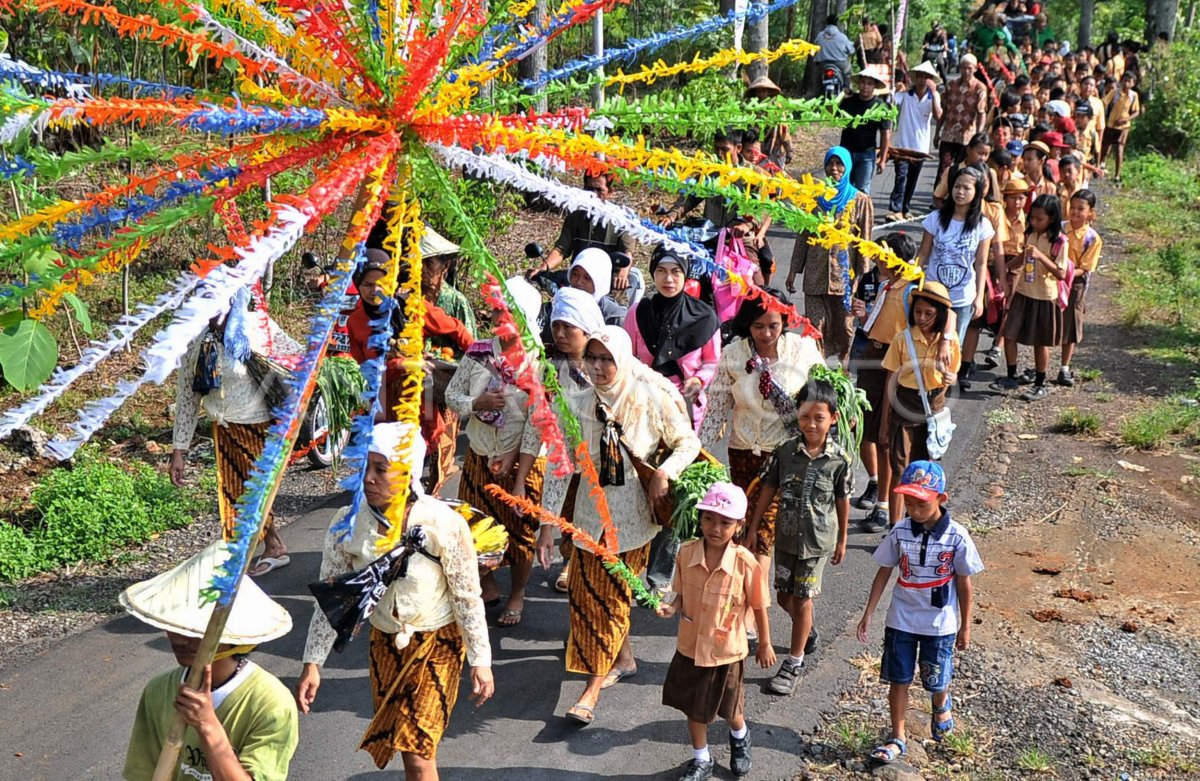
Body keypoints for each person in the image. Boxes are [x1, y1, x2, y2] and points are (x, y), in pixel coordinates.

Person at [297, 422, 494, 779]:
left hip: (438, 645)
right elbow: (334, 600)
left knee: (417, 750)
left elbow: (467, 596)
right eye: (365, 467)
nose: (368, 478)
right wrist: (313, 663)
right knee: (405, 747)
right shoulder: (347, 524)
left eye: (381, 469)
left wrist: (481, 660)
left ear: (409, 473)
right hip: (384, 645)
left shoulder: (442, 524)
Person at [538, 326, 701, 724]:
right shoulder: (575, 403)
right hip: (589, 518)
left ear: (623, 359)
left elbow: (688, 442)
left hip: (632, 519)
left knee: (610, 602)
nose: (598, 366)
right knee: (582, 596)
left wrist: (664, 473)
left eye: (606, 359)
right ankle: (623, 658)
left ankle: (590, 690)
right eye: (592, 358)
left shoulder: (649, 396)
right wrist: (547, 523)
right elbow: (561, 466)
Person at [121, 541, 297, 781]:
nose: (179, 639)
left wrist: (207, 725)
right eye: (174, 626)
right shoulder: (158, 691)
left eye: (195, 630)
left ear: (234, 636)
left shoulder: (271, 703)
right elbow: (140, 773)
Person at [855, 461, 984, 764]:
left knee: (934, 678)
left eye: (921, 503)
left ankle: (940, 703)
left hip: (939, 624)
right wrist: (869, 612)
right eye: (908, 502)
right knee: (898, 678)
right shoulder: (899, 531)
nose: (914, 509)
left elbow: (965, 584)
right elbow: (884, 571)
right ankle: (897, 736)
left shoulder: (957, 536)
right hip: (901, 618)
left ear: (941, 498)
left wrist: (965, 627)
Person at [171, 286, 298, 577]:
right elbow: (187, 396)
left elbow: (297, 357)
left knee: (253, 492)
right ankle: (266, 546)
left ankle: (263, 548)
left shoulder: (255, 327)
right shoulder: (199, 339)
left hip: (258, 426)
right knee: (234, 493)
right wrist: (179, 449)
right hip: (223, 428)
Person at [445, 277, 546, 628]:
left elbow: (537, 423)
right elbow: (451, 397)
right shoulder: (477, 353)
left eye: (509, 314)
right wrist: (477, 403)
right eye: (498, 311)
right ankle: (487, 585)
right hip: (478, 454)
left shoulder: (538, 363)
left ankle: (517, 593)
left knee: (520, 534)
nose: (500, 319)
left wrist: (517, 472)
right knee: (470, 526)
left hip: (519, 461)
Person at [656, 483, 775, 781]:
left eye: (725, 522)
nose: (715, 528)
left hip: (726, 651)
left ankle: (740, 737)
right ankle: (701, 758)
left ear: (739, 526)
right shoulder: (685, 553)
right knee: (694, 708)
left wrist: (765, 643)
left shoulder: (746, 564)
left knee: (730, 709)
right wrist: (671, 608)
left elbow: (759, 607)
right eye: (709, 518)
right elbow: (681, 596)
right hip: (691, 646)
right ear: (700, 518)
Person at [700, 290, 824, 572]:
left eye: (773, 326)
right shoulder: (733, 355)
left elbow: (825, 397)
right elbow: (716, 410)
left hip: (785, 455)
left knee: (764, 530)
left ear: (784, 322)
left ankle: (755, 604)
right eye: (758, 326)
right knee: (741, 526)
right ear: (747, 324)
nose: (766, 334)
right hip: (742, 453)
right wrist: (696, 456)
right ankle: (742, 598)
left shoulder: (802, 350)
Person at [747, 379, 852, 696]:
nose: (811, 424)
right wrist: (753, 527)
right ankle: (806, 630)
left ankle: (793, 661)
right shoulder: (785, 452)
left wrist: (843, 539)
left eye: (819, 417)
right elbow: (769, 489)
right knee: (784, 597)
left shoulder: (839, 460)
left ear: (832, 418)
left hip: (817, 542)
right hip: (786, 538)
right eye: (805, 416)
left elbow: (842, 500)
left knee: (803, 599)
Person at [520, 287, 605, 594]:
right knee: (572, 522)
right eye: (555, 325)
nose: (560, 333)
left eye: (568, 326)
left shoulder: (608, 368)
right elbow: (537, 425)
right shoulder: (550, 371)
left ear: (586, 327)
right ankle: (572, 565)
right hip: (569, 467)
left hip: (606, 470)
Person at [851, 232, 919, 533]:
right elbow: (877, 325)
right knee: (867, 429)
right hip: (873, 358)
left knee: (885, 436)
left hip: (893, 367)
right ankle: (879, 495)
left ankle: (886, 509)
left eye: (883, 254)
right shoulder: (885, 286)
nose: (877, 258)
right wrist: (863, 315)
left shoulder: (910, 291)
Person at [880, 281, 960, 527]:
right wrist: (884, 423)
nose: (922, 317)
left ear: (940, 315)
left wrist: (951, 378)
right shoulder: (902, 339)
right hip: (904, 405)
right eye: (918, 312)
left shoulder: (950, 342)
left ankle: (924, 522)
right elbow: (890, 382)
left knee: (926, 471)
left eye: (929, 313)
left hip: (933, 408)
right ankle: (895, 528)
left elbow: (954, 373)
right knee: (900, 469)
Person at [786, 146, 874, 362]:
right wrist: (793, 270)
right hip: (815, 276)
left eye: (839, 164)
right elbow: (803, 237)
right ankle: (817, 367)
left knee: (844, 328)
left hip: (844, 279)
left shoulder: (860, 201)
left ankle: (843, 367)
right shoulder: (815, 200)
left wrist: (861, 279)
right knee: (815, 326)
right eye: (830, 164)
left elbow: (864, 242)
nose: (834, 169)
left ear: (848, 167)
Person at [624, 248, 721, 430]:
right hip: (645, 402)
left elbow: (713, 361)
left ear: (685, 273)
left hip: (685, 404)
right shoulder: (639, 313)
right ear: (653, 273)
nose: (668, 279)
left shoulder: (704, 317)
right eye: (661, 271)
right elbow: (625, 357)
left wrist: (699, 380)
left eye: (675, 271)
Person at [989, 194, 1068, 401]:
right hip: (1024, 292)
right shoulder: (1032, 234)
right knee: (1010, 333)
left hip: (1044, 296)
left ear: (1051, 218)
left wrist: (1042, 257)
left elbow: (1061, 273)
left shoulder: (1059, 241)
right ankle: (1011, 375)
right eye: (1032, 217)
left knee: (1040, 341)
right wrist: (1005, 269)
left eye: (1039, 219)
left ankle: (1040, 382)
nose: (1034, 222)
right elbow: (1024, 257)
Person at [916, 165, 995, 345]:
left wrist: (978, 298)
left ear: (977, 192)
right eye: (957, 186)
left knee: (952, 347)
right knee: (926, 343)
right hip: (933, 293)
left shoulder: (983, 225)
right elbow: (923, 253)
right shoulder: (935, 218)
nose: (960, 191)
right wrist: (910, 279)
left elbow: (981, 263)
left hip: (962, 297)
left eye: (967, 188)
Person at [539, 172, 637, 289]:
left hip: (607, 285)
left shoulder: (622, 221)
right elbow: (562, 249)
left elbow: (627, 253)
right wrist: (543, 268)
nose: (593, 195)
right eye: (589, 189)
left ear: (610, 192)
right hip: (577, 281)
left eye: (599, 190)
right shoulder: (575, 217)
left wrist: (622, 275)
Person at [886, 61, 942, 222]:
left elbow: (938, 116)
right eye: (920, 76)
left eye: (926, 77)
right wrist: (894, 89)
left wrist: (934, 93)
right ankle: (895, 208)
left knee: (912, 178)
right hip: (902, 145)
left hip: (921, 146)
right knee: (901, 176)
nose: (922, 80)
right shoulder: (905, 96)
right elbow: (891, 103)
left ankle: (905, 208)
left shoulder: (933, 97)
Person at [1057, 190, 1102, 387]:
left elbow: (1084, 269)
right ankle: (1038, 365)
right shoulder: (1058, 228)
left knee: (1071, 324)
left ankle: (1064, 367)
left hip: (1075, 284)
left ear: (1091, 213)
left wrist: (1064, 274)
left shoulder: (1092, 238)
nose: (1075, 212)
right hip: (1053, 278)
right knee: (1051, 320)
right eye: (1072, 207)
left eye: (1080, 209)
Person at [839, 66, 893, 194]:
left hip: (866, 153)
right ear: (858, 84)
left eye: (869, 83)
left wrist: (883, 159)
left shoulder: (881, 106)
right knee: (844, 187)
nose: (865, 86)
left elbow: (885, 133)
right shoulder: (848, 102)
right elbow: (831, 116)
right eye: (863, 82)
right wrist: (839, 96)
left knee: (862, 190)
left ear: (874, 86)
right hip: (846, 151)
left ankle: (861, 214)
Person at [936, 54, 988, 185]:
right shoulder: (951, 85)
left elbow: (981, 113)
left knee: (962, 169)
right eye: (963, 68)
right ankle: (938, 198)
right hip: (948, 134)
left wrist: (978, 135)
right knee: (944, 167)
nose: (966, 71)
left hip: (967, 137)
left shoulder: (980, 88)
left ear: (975, 69)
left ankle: (953, 200)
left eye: (969, 68)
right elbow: (945, 111)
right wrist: (937, 133)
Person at [1100, 70, 1141, 184]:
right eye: (1125, 80)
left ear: (1133, 83)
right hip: (1111, 123)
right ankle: (1101, 163)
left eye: (1129, 81)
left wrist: (1127, 119)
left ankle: (1117, 175)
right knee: (1105, 146)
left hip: (1124, 126)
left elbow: (1136, 111)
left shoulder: (1133, 96)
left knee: (1119, 149)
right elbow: (1104, 102)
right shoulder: (1115, 92)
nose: (1126, 83)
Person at [570, 246, 628, 325]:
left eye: (587, 278)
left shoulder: (615, 318)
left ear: (600, 282)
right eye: (575, 274)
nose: (579, 282)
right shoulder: (559, 307)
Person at [745, 75, 792, 168]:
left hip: (775, 148)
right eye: (758, 91)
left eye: (764, 91)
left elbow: (784, 130)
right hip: (757, 147)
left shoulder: (777, 108)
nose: (761, 94)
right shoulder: (751, 109)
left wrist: (789, 150)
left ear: (768, 92)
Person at [813, 14, 856, 87]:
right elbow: (851, 50)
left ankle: (816, 93)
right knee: (848, 74)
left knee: (817, 80)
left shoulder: (820, 36)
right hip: (839, 64)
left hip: (822, 64)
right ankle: (848, 93)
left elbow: (814, 46)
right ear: (837, 23)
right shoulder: (842, 37)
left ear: (827, 23)